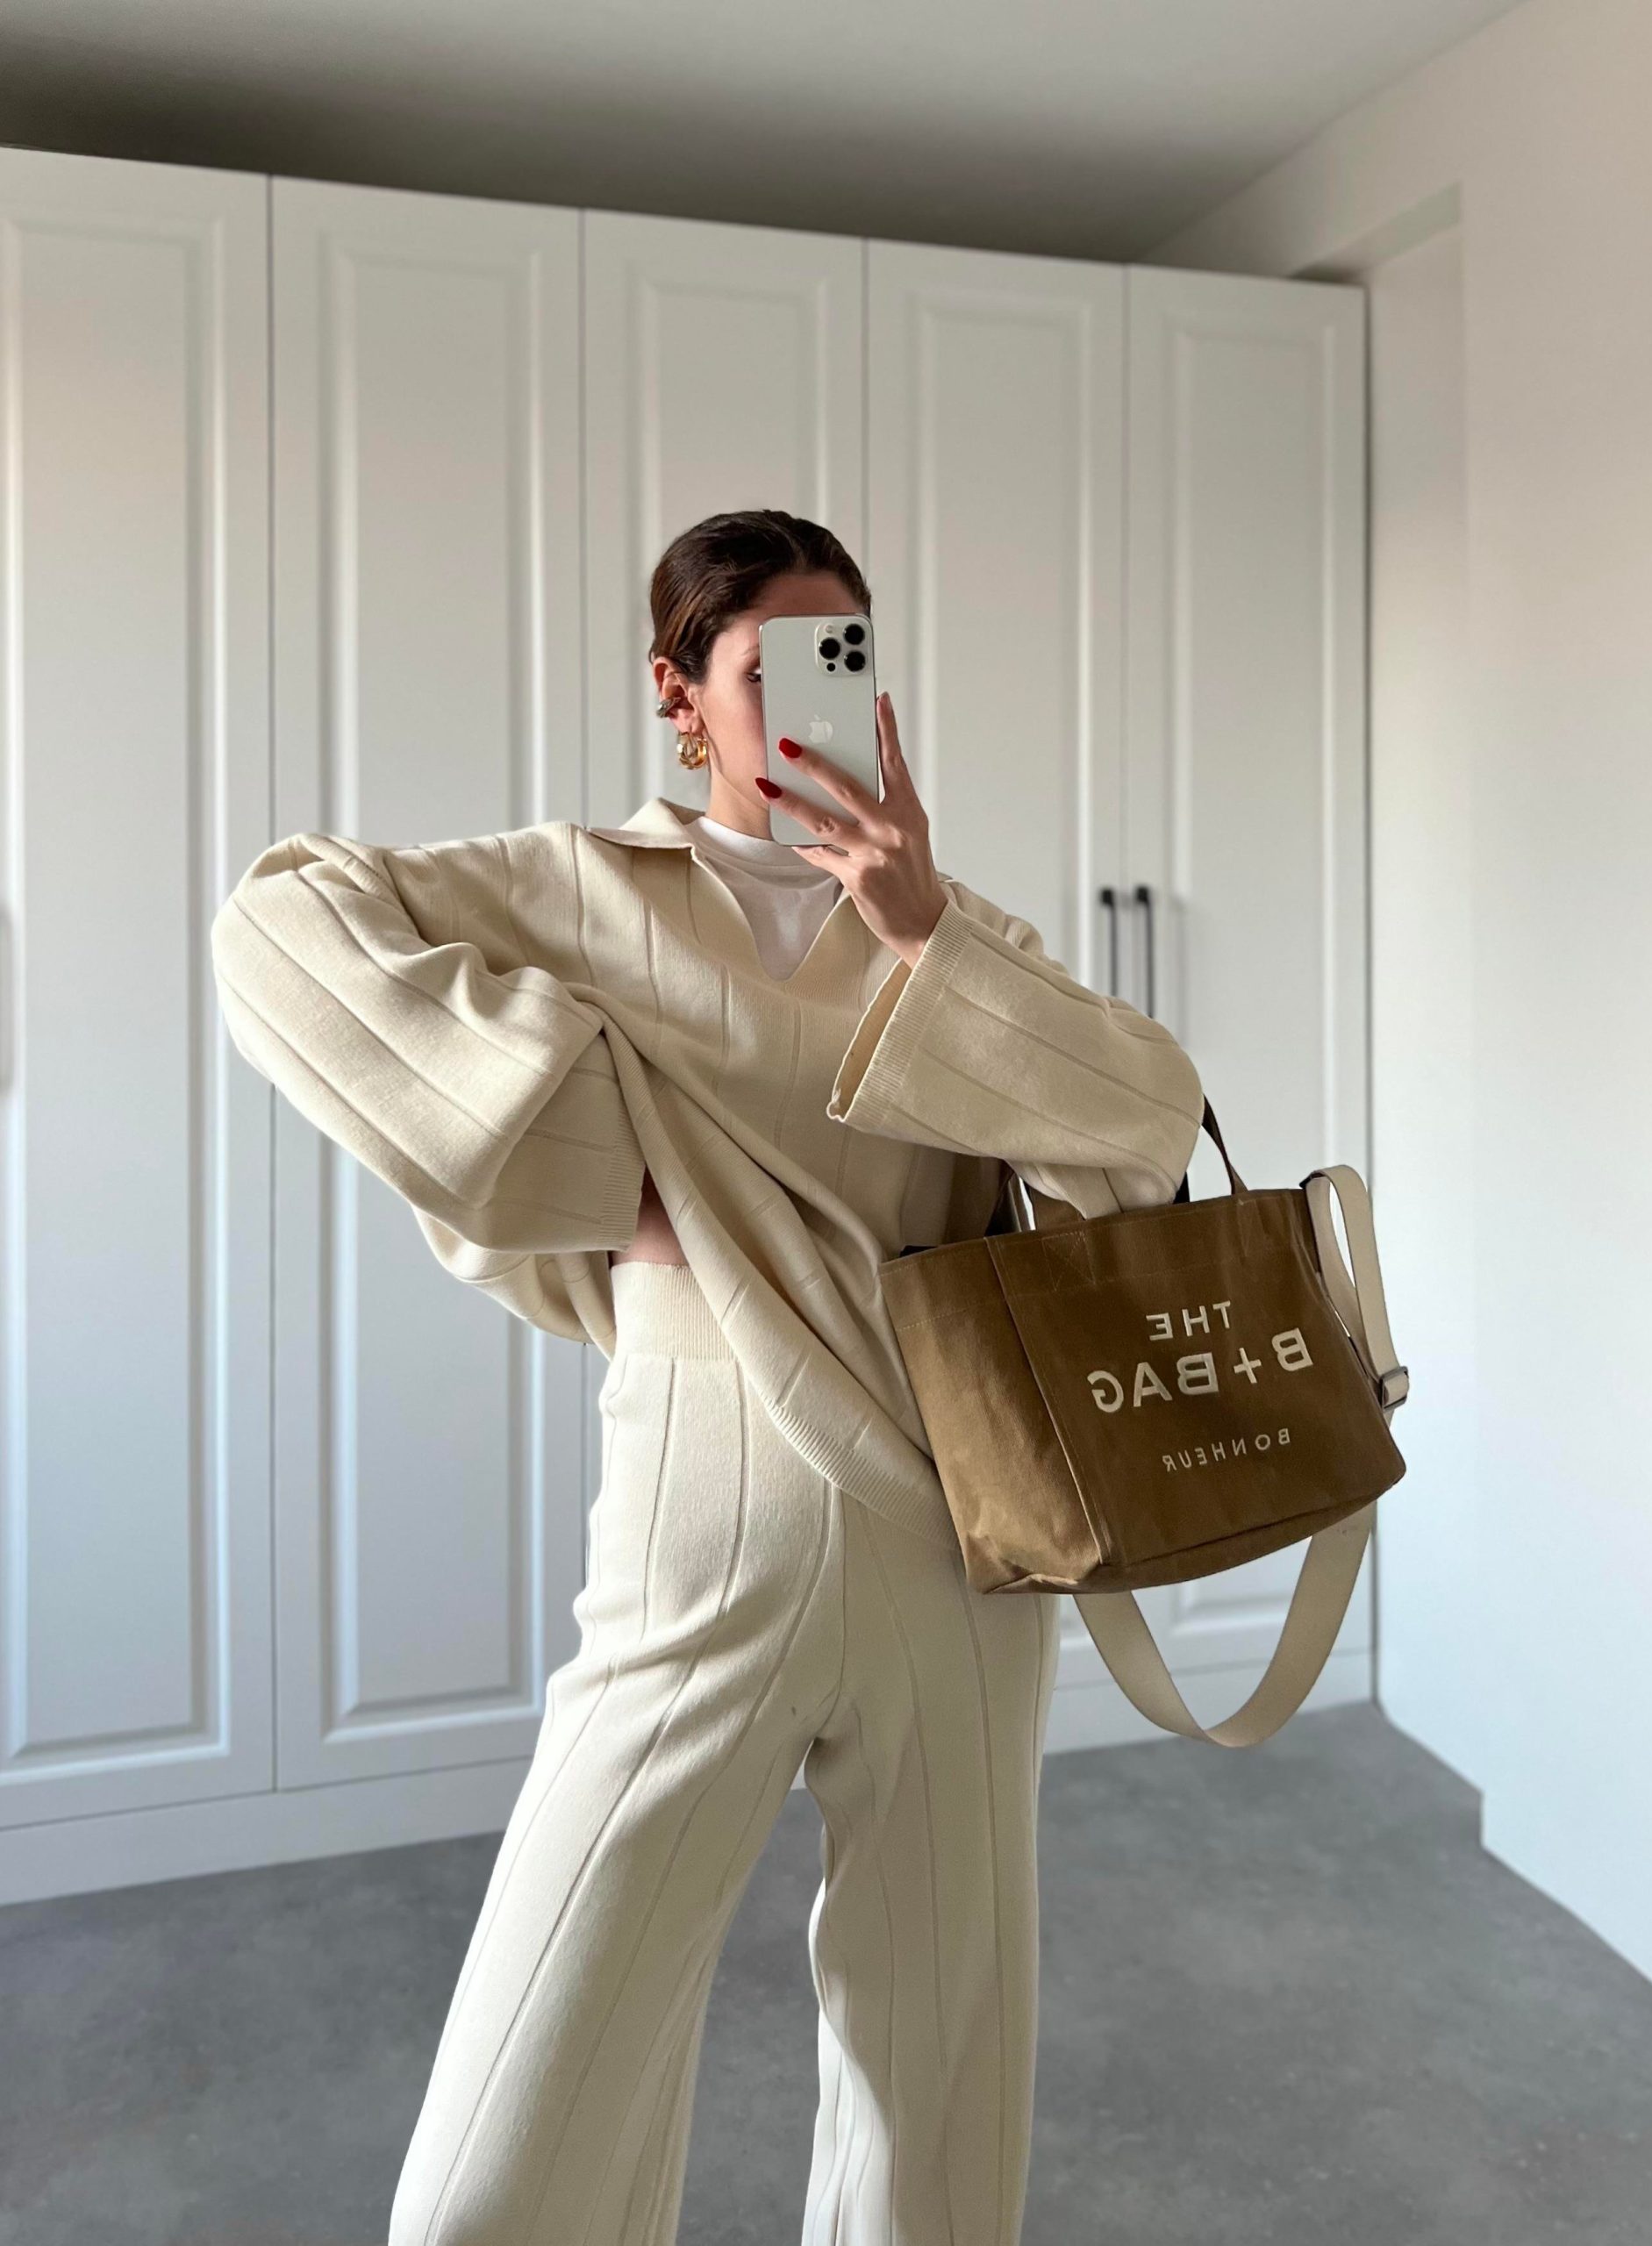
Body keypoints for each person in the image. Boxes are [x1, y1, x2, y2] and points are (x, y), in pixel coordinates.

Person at [210, 508, 1205, 2246]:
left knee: (938, 2073)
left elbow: (1147, 1126)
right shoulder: (579, 886)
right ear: (678, 694)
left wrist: (923, 937)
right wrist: (591, 1154)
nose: (823, 701)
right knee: (521, 2112)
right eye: (774, 667)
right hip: (705, 1505)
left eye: (849, 659)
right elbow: (276, 929)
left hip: (967, 1527)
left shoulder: (958, 924)